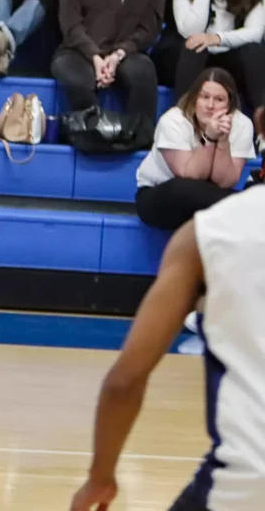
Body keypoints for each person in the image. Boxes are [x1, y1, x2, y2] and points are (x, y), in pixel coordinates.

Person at [70, 109, 265, 511]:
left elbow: (126, 379)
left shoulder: (210, 232)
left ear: (259, 126)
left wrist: (100, 478)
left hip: (244, 484)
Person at [51, 0, 167, 126]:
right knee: (75, 76)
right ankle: (94, 134)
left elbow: (149, 27)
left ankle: (139, 139)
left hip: (128, 52)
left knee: (143, 72)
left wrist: (118, 55)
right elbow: (69, 19)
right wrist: (95, 56)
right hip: (78, 50)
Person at [135, 67, 257, 231]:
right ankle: (247, 209)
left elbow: (225, 182)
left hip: (207, 201)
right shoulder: (173, 120)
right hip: (161, 197)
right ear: (194, 99)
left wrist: (222, 141)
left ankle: (244, 211)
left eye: (219, 99)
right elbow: (192, 176)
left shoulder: (242, 124)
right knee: (183, 188)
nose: (210, 105)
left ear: (230, 104)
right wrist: (208, 137)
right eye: (204, 97)